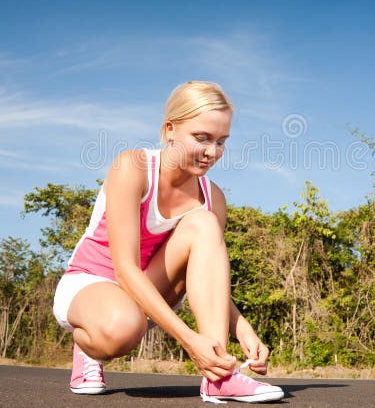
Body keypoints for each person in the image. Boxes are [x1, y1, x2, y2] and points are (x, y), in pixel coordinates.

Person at [52, 81, 284, 403]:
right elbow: (125, 269)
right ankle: (88, 344)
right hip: (93, 282)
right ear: (171, 129)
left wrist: (243, 330)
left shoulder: (211, 197)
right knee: (121, 329)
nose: (211, 152)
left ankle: (219, 378)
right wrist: (190, 341)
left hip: (150, 288)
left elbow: (208, 279)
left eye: (221, 141)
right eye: (201, 138)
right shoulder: (132, 167)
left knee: (204, 223)